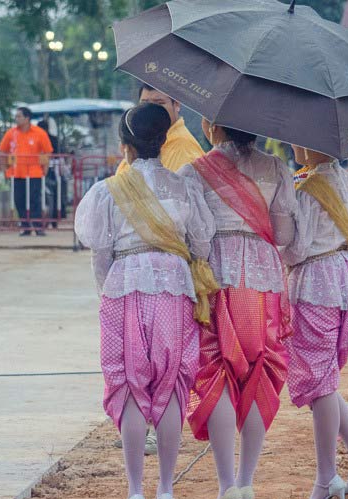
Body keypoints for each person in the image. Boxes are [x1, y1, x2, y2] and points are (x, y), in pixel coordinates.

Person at [74, 103, 217, 499]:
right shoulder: (184, 188)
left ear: (125, 147)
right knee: (171, 384)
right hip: (175, 287)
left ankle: (135, 495)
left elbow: (101, 254)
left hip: (124, 287)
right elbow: (202, 247)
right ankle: (167, 493)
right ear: (164, 140)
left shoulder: (107, 191)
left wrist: (110, 293)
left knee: (129, 385)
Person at [180, 119, 298, 499]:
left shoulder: (194, 171)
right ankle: (246, 480)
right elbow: (283, 233)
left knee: (216, 371)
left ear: (212, 126)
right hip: (264, 281)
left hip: (219, 279)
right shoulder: (278, 168)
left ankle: (227, 485)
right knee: (260, 371)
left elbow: (194, 236)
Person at [282, 145, 348, 499]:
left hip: (314, 283)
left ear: (310, 144)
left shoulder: (302, 190)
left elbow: (294, 250)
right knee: (324, 379)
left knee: (319, 380)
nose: (293, 147)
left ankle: (326, 479)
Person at [113, 84, 206, 457]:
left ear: (176, 106)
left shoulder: (182, 150)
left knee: (161, 363)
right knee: (144, 360)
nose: (152, 109)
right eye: (146, 103)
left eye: (159, 103)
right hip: (142, 275)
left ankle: (156, 429)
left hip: (166, 272)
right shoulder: (136, 153)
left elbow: (192, 222)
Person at [116, 84, 204, 174]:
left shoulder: (184, 148)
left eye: (159, 103)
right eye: (144, 104)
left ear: (176, 105)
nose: (150, 111)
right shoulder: (137, 141)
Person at [0, 107, 53, 236]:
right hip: (16, 172)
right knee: (19, 199)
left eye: (19, 116)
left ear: (27, 118)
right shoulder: (11, 133)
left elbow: (47, 152)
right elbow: (2, 150)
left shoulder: (39, 133)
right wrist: (5, 167)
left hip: (34, 173)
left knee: (34, 199)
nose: (16, 119)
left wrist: (44, 168)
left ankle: (38, 226)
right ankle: (25, 226)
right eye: (16, 117)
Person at [37, 119, 67, 226]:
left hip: (51, 171)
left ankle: (54, 218)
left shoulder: (50, 140)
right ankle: (54, 219)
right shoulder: (53, 139)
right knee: (56, 195)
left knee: (53, 194)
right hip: (52, 171)